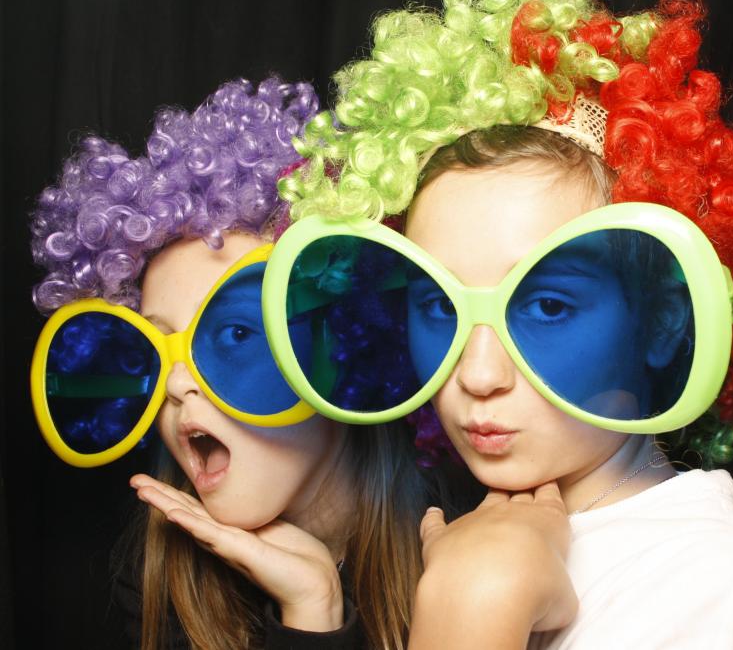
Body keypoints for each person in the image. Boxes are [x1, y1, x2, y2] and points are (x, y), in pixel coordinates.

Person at [272, 0, 733, 648]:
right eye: (439, 303)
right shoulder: (452, 529)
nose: (478, 374)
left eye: (548, 305)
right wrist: (313, 617)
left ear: (662, 321)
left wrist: (472, 602)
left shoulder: (710, 579)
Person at [28, 78, 433, 649]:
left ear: (344, 345)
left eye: (236, 332)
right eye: (156, 348)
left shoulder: (458, 548)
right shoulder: (160, 584)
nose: (176, 383)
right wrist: (311, 611)